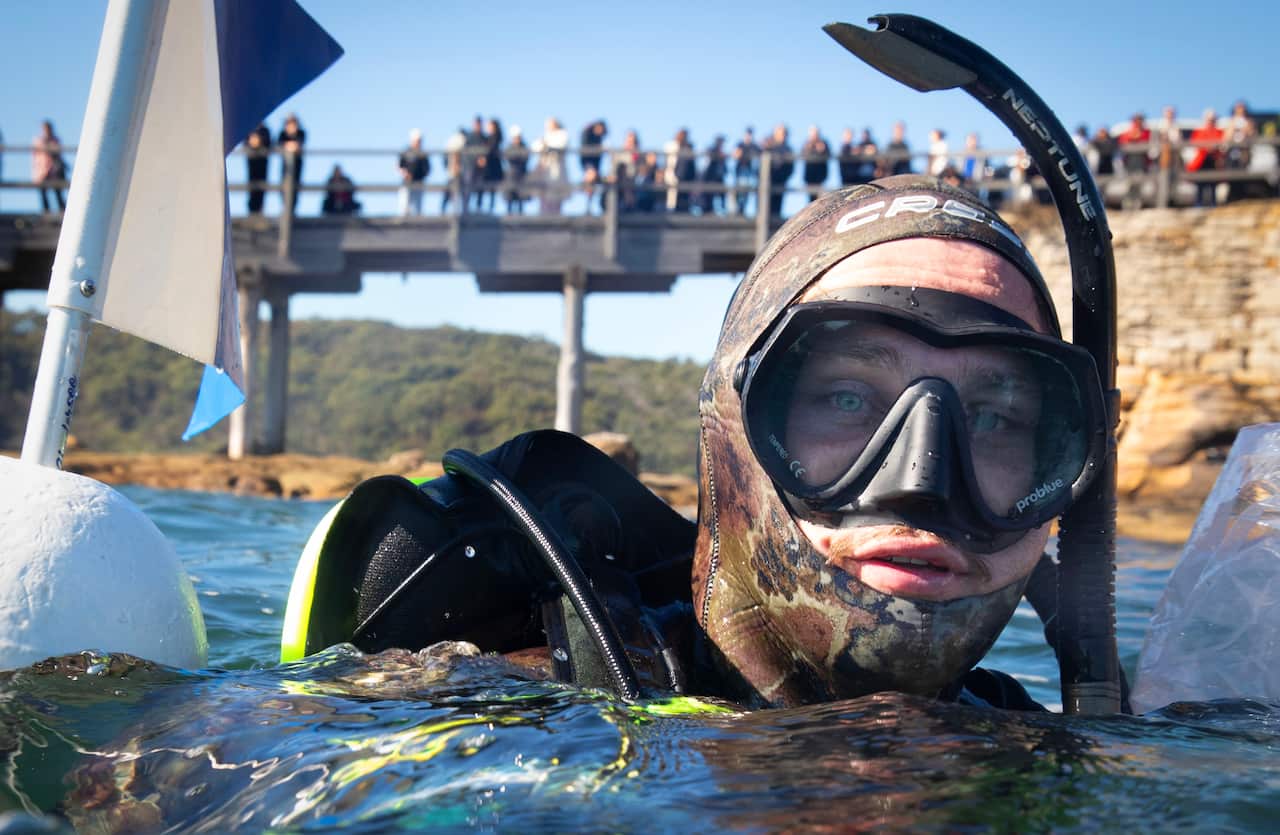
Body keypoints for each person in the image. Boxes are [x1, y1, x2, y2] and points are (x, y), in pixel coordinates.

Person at [281, 174, 1107, 713]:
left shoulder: (1070, 749)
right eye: (849, 396)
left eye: (997, 419)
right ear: (733, 434)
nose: (924, 483)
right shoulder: (508, 714)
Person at [1187, 109, 1225, 208]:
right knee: (1200, 184)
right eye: (1209, 119)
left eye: (1213, 120)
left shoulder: (1219, 132)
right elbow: (1195, 143)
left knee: (1213, 184)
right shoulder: (1199, 131)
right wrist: (1207, 147)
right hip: (1201, 161)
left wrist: (1212, 147)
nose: (1211, 122)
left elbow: (1221, 144)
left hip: (1213, 160)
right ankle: (1198, 204)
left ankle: (1213, 204)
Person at [533, 117, 570, 216]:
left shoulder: (562, 134)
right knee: (544, 196)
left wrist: (547, 146)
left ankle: (555, 218)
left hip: (556, 170)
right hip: (544, 170)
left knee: (556, 195)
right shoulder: (546, 135)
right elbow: (536, 146)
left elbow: (561, 146)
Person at [1117, 113, 1151, 210]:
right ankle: (1127, 205)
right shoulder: (1127, 133)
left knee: (1139, 185)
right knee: (1129, 184)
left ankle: (1137, 205)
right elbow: (1122, 146)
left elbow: (1148, 147)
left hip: (1141, 163)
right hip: (1130, 163)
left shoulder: (1146, 133)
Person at [32, 120, 66, 213]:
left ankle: (61, 212)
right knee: (44, 194)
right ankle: (46, 214)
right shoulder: (39, 140)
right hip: (42, 172)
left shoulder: (55, 140)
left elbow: (58, 154)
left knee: (57, 192)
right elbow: (35, 158)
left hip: (54, 171)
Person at [397, 128, 430, 218]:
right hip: (407, 182)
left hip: (418, 183)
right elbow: (399, 165)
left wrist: (420, 175)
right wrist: (405, 173)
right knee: (404, 205)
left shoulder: (423, 154)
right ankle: (403, 223)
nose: (419, 143)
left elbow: (427, 169)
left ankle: (418, 224)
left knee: (418, 206)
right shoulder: (406, 151)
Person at [763, 123, 794, 218]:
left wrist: (784, 176)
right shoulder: (769, 146)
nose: (783, 136)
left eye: (784, 133)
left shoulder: (788, 149)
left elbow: (791, 166)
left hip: (781, 180)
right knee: (765, 203)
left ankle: (775, 218)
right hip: (768, 180)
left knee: (777, 205)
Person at [278, 113, 305, 215]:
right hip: (286, 166)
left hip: (297, 165)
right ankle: (286, 209)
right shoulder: (282, 134)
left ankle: (292, 211)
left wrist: (292, 146)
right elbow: (280, 144)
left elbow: (299, 144)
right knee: (284, 186)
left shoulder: (301, 133)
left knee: (295, 187)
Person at [245, 123, 272, 215]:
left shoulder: (265, 131)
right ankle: (252, 210)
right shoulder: (247, 129)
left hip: (262, 164)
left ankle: (259, 210)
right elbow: (246, 144)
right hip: (252, 163)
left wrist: (259, 141)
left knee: (261, 187)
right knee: (252, 187)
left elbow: (269, 144)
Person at [731, 127, 759, 215]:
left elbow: (760, 153)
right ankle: (738, 210)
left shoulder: (754, 146)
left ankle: (742, 209)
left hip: (749, 172)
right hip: (741, 171)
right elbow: (735, 155)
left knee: (746, 191)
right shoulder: (740, 144)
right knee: (739, 190)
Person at [479, 117, 505, 213]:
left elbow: (491, 149)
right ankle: (482, 207)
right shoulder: (489, 138)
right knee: (485, 187)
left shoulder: (496, 137)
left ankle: (488, 208)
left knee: (491, 188)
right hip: (489, 168)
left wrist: (484, 157)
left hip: (492, 167)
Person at [503, 125, 530, 215]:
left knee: (520, 198)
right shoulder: (509, 148)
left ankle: (520, 215)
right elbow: (508, 158)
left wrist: (516, 157)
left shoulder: (524, 147)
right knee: (510, 197)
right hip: (511, 176)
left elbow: (525, 158)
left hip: (521, 176)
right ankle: (509, 215)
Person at [800, 125, 830, 201]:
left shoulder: (824, 143)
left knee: (820, 199)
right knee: (810, 199)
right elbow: (802, 155)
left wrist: (823, 150)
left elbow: (828, 155)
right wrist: (808, 149)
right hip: (809, 177)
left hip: (820, 176)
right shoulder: (806, 144)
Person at [699, 135, 728, 214]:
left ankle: (720, 210)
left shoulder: (721, 151)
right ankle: (707, 210)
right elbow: (709, 159)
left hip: (718, 177)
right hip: (710, 177)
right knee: (708, 195)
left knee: (721, 194)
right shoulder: (712, 149)